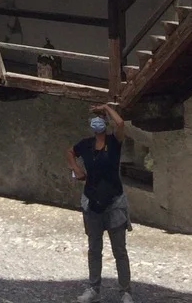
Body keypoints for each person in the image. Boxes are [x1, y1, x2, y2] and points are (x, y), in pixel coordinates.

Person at [67, 102, 133, 303]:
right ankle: (94, 288)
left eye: (100, 119)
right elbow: (70, 152)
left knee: (119, 250)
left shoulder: (114, 142)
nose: (97, 122)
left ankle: (125, 291)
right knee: (94, 248)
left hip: (114, 202)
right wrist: (77, 169)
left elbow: (121, 124)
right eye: (94, 119)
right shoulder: (85, 144)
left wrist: (106, 108)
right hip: (92, 202)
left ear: (104, 122)